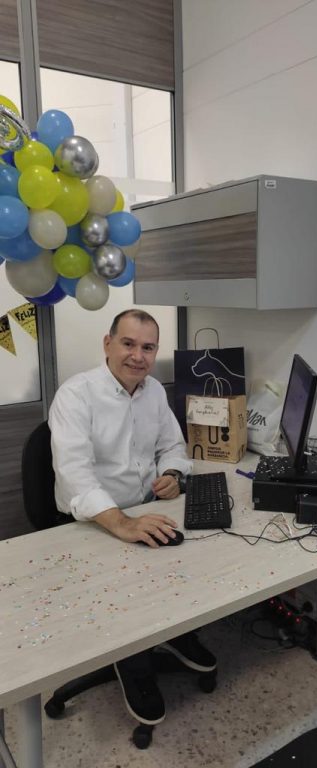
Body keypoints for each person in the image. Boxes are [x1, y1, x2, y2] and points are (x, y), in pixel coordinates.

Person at [49, 308, 216, 726]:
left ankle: (174, 632)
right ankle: (131, 660)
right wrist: (122, 523)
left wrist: (173, 474)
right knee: (126, 595)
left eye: (147, 347)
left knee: (186, 563)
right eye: (128, 343)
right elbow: (75, 478)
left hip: (147, 510)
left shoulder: (154, 391)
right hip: (91, 522)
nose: (137, 356)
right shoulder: (75, 394)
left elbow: (173, 447)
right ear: (107, 344)